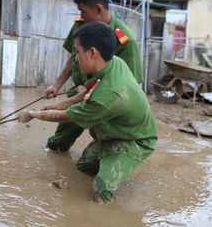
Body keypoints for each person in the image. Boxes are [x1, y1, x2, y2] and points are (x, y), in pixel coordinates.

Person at [18, 22, 157, 202]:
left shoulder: (109, 95)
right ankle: (109, 158)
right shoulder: (113, 63)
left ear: (92, 52)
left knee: (100, 192)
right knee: (82, 168)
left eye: (78, 52)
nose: (75, 58)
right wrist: (55, 105)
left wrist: (33, 114)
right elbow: (84, 94)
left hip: (133, 140)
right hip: (111, 133)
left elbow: (67, 117)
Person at [44, 0, 143, 152]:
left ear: (98, 9)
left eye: (83, 11)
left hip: (105, 99)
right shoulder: (82, 25)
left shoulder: (125, 40)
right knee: (59, 141)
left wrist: (91, 90)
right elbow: (73, 58)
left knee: (103, 141)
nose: (81, 16)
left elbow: (128, 85)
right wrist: (56, 85)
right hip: (79, 91)